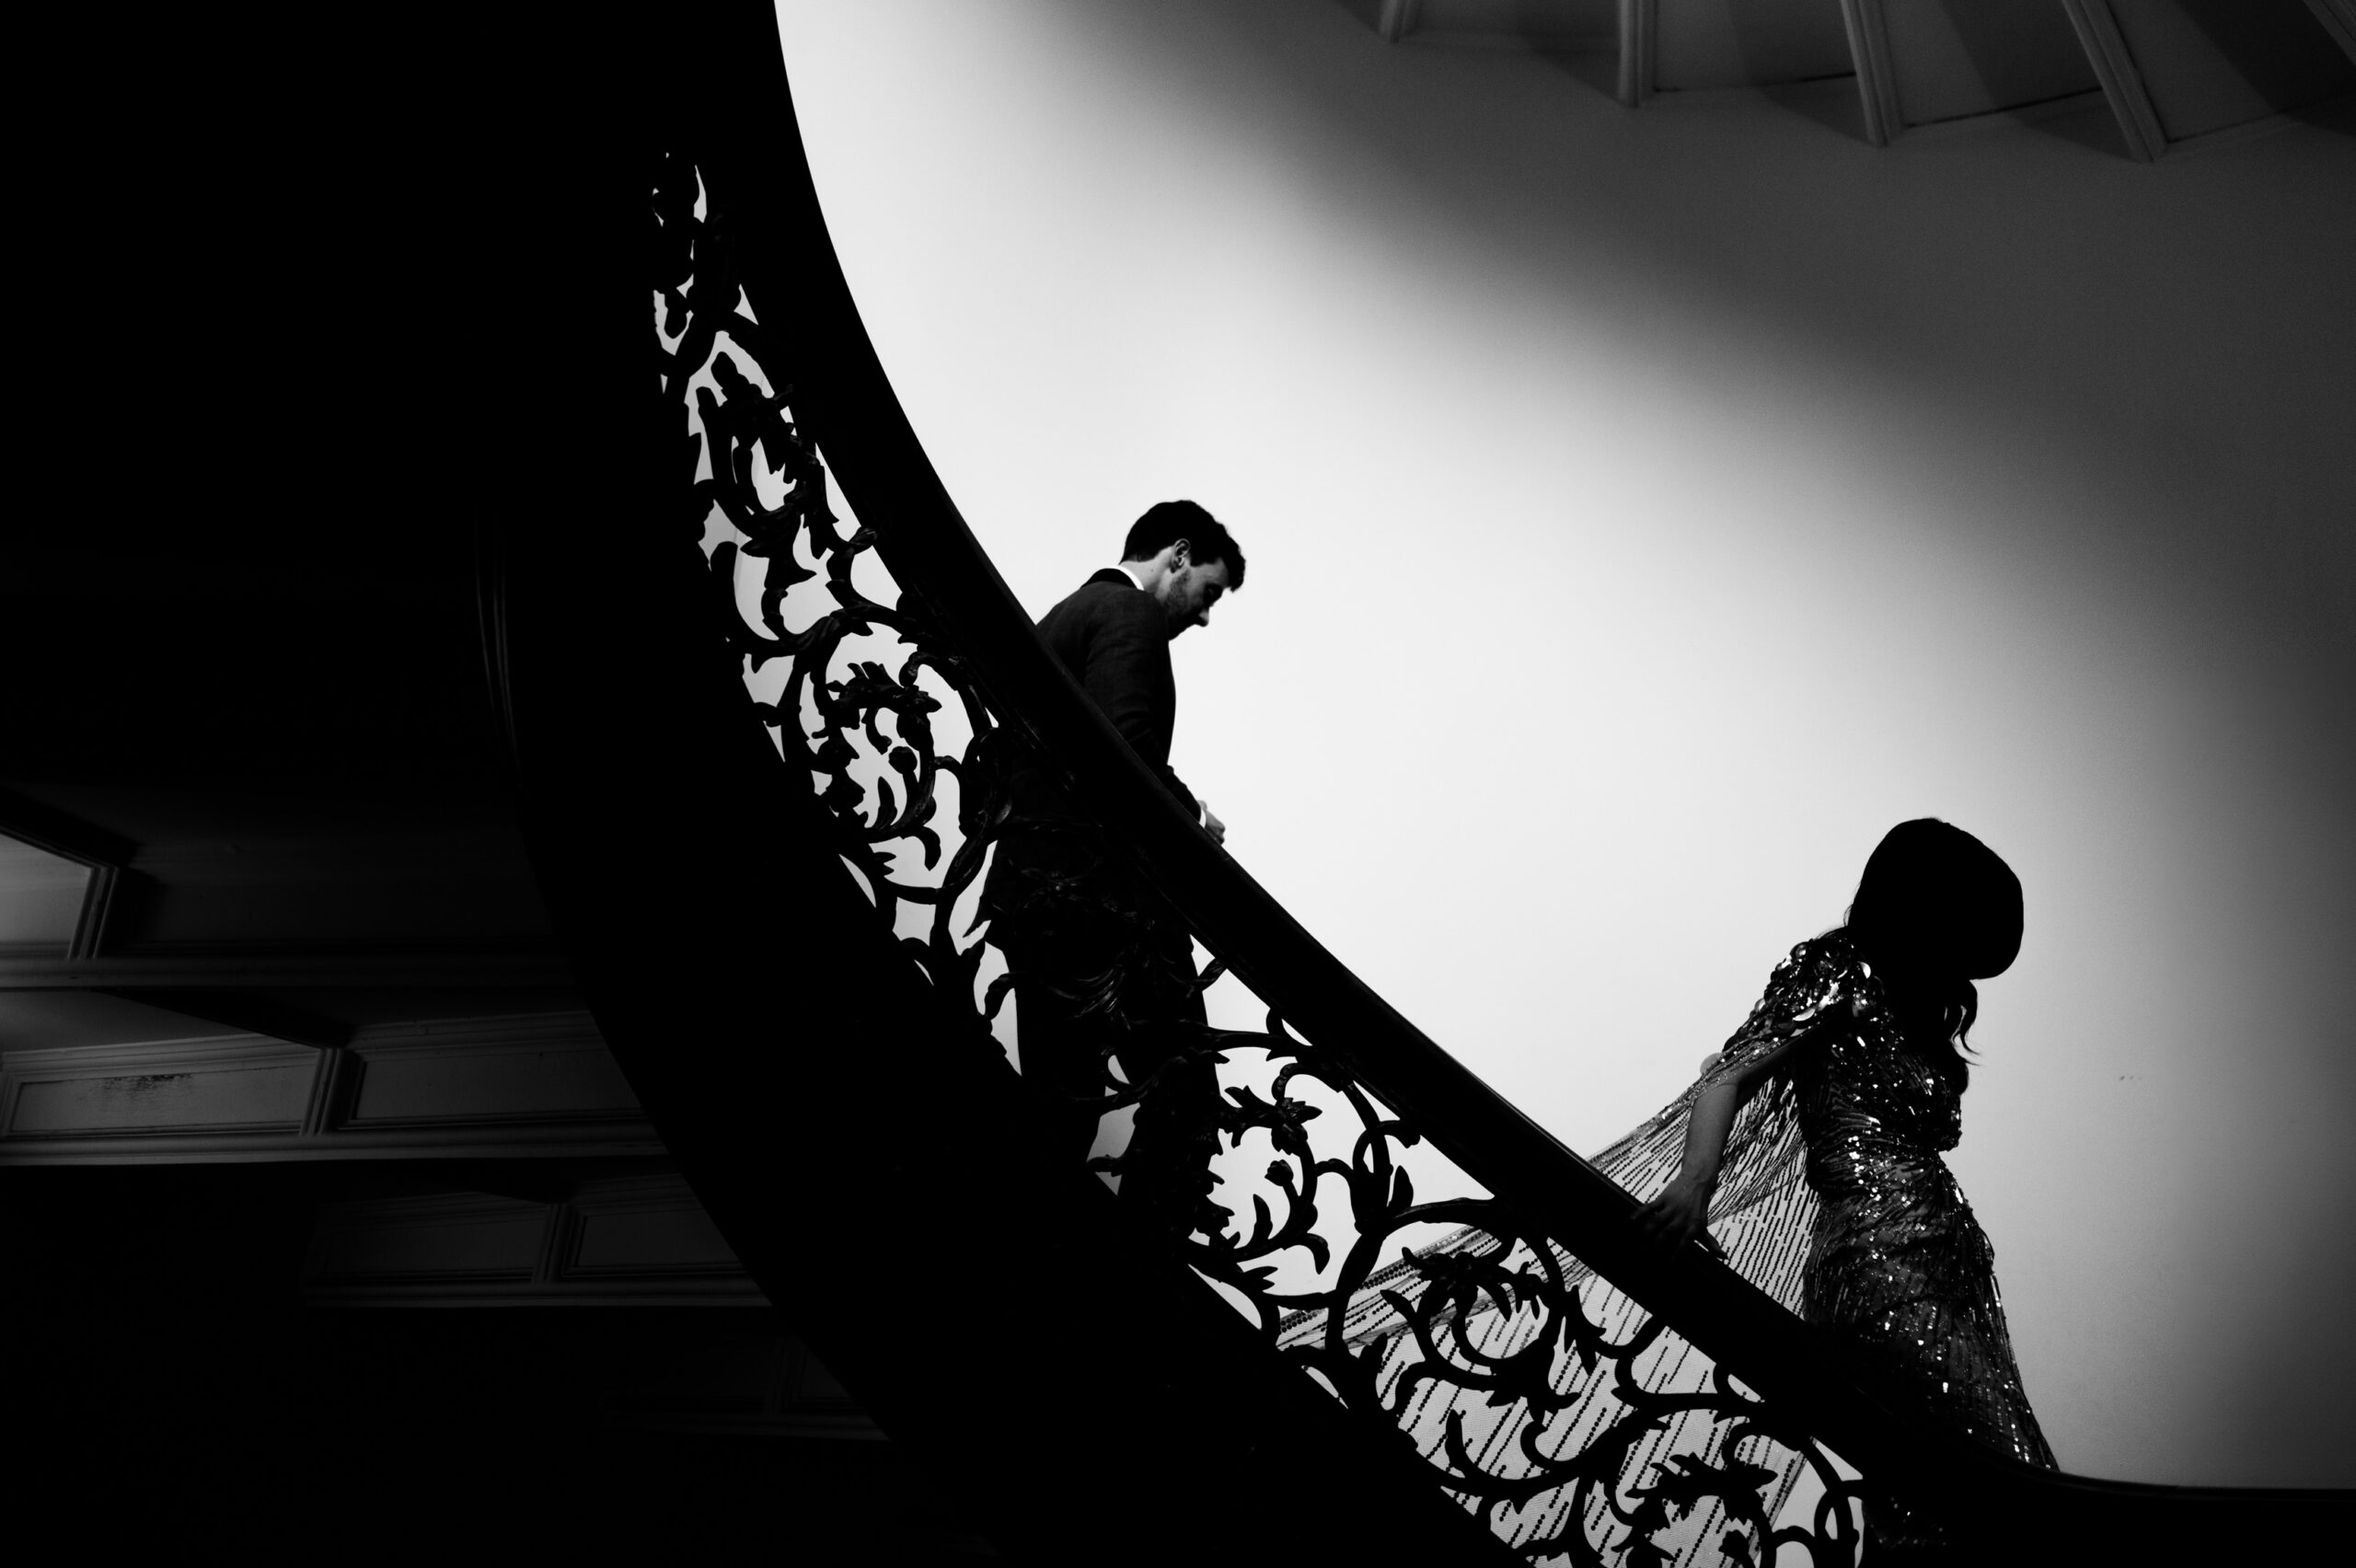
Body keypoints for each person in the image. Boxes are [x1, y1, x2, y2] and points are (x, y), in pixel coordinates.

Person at [1626, 817, 2059, 1543]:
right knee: (2009, 1480)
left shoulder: (1912, 1006)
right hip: (1878, 1265)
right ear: (1922, 903)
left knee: (1928, 1507)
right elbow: (1730, 1073)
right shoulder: (1838, 969)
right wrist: (1695, 1184)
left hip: (1950, 1267)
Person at [982, 500, 1244, 1233]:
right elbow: (1121, 755)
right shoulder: (1125, 617)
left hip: (1037, 904)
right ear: (1179, 556)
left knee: (1059, 1115)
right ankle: (1123, 1308)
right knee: (1187, 1107)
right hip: (1105, 913)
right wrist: (1193, 819)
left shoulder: (1063, 617)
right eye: (1209, 594)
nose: (1204, 618)